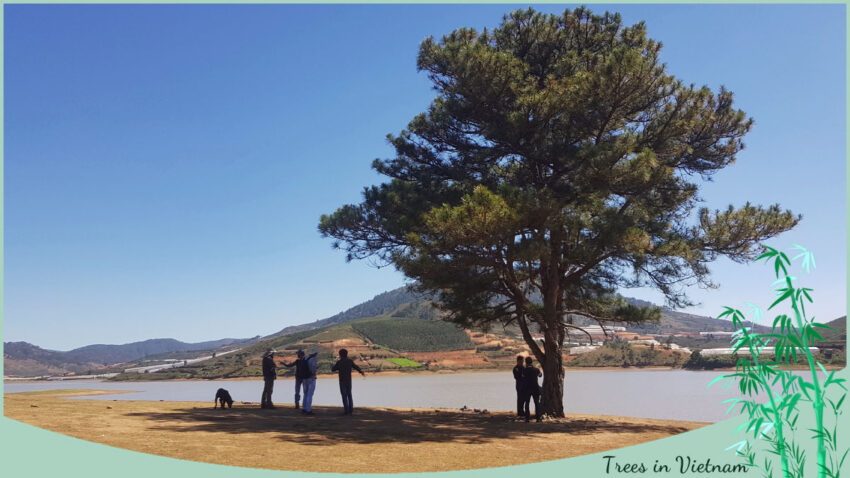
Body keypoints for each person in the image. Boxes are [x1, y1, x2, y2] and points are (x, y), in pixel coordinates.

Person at [331, 348, 365, 415]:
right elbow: (356, 367)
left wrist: (334, 365)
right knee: (349, 395)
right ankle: (351, 410)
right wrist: (361, 372)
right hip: (349, 381)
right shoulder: (350, 361)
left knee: (344, 395)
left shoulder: (339, 362)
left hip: (342, 380)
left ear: (340, 355)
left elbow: (333, 369)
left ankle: (346, 411)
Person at [521, 356, 542, 422]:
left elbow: (522, 377)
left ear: (526, 362)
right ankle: (538, 418)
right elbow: (540, 375)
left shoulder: (524, 370)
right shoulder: (536, 369)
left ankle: (527, 418)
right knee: (536, 403)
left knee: (527, 403)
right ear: (532, 362)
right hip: (535, 388)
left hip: (527, 388)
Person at [301, 347, 319, 415]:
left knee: (305, 394)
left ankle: (304, 408)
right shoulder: (313, 359)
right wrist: (314, 372)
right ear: (315, 353)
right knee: (310, 394)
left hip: (304, 378)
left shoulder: (305, 358)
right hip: (311, 378)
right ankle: (308, 409)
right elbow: (313, 369)